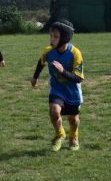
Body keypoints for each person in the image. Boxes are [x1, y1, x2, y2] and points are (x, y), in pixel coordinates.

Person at [30, 20, 84, 152]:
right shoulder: (48, 52)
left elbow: (78, 78)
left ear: (64, 38)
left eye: (55, 37)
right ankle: (60, 134)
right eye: (51, 35)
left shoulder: (75, 53)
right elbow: (41, 62)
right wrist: (35, 77)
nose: (52, 39)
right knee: (54, 111)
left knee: (73, 120)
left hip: (72, 92)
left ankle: (73, 137)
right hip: (57, 89)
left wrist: (62, 71)